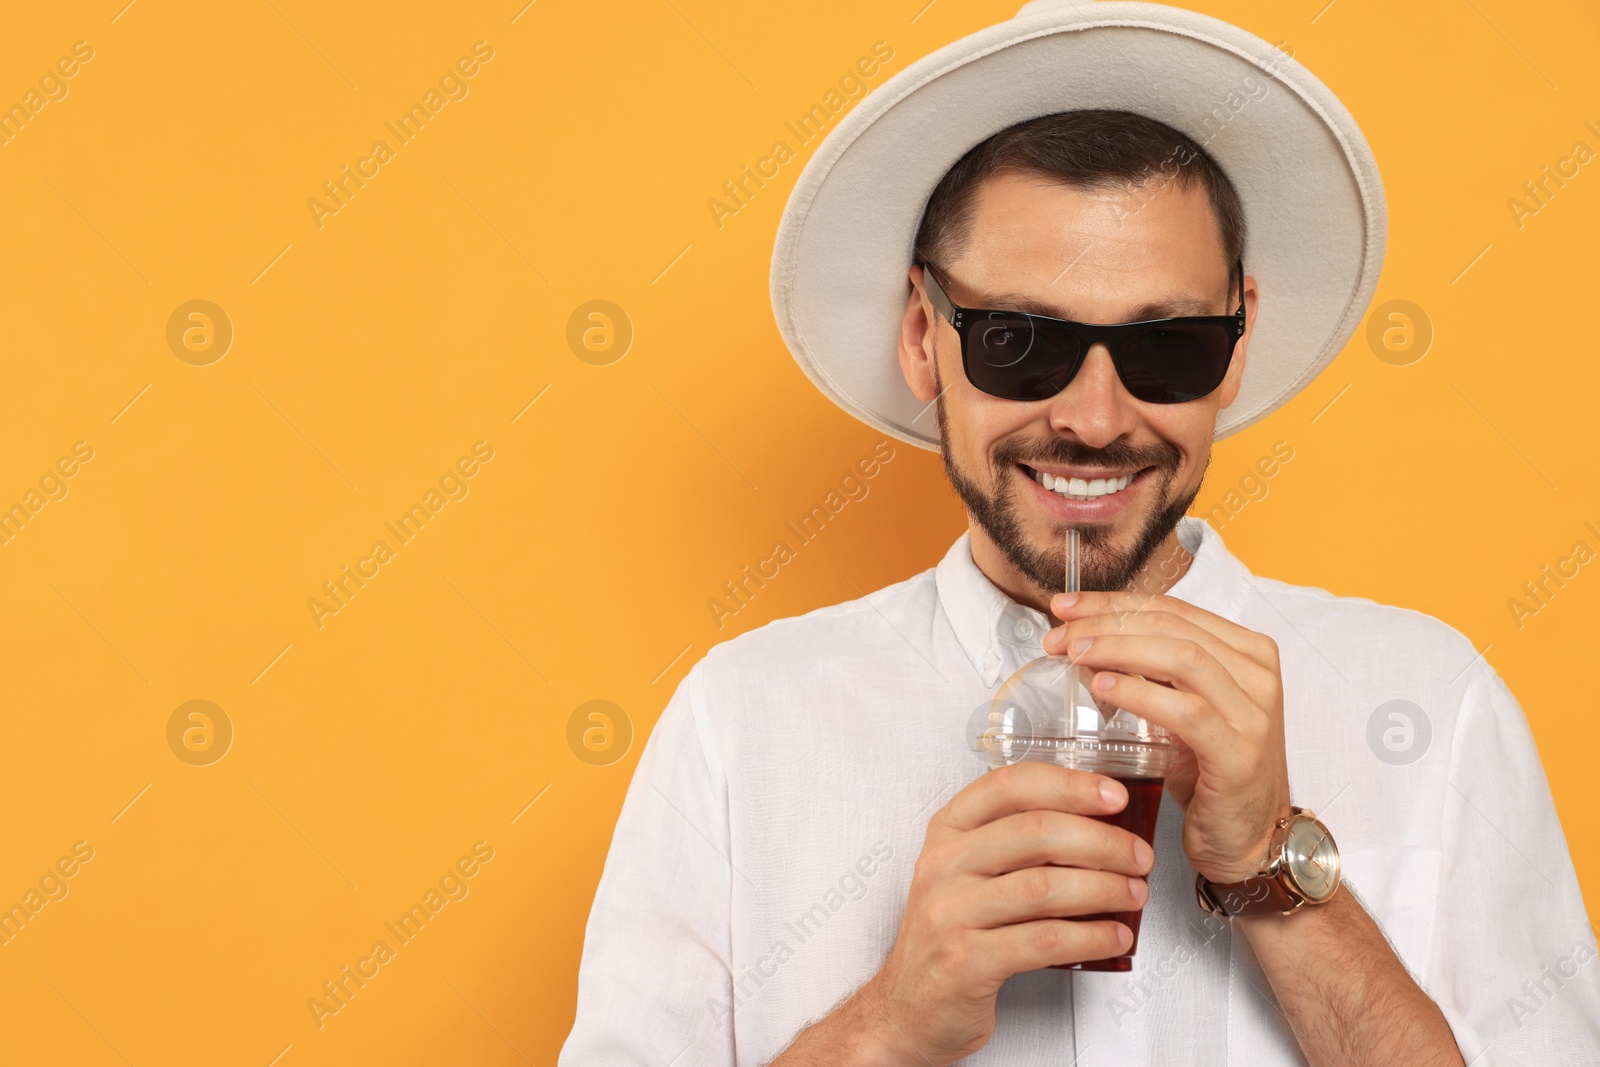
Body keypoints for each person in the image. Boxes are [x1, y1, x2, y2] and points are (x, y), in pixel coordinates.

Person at [559, 3, 1600, 1064]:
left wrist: (1274, 871)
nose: (1095, 420)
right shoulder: (741, 723)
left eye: (1168, 346)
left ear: (1234, 346)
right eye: (1020, 340)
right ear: (925, 337)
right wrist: (894, 1019)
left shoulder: (1432, 703)